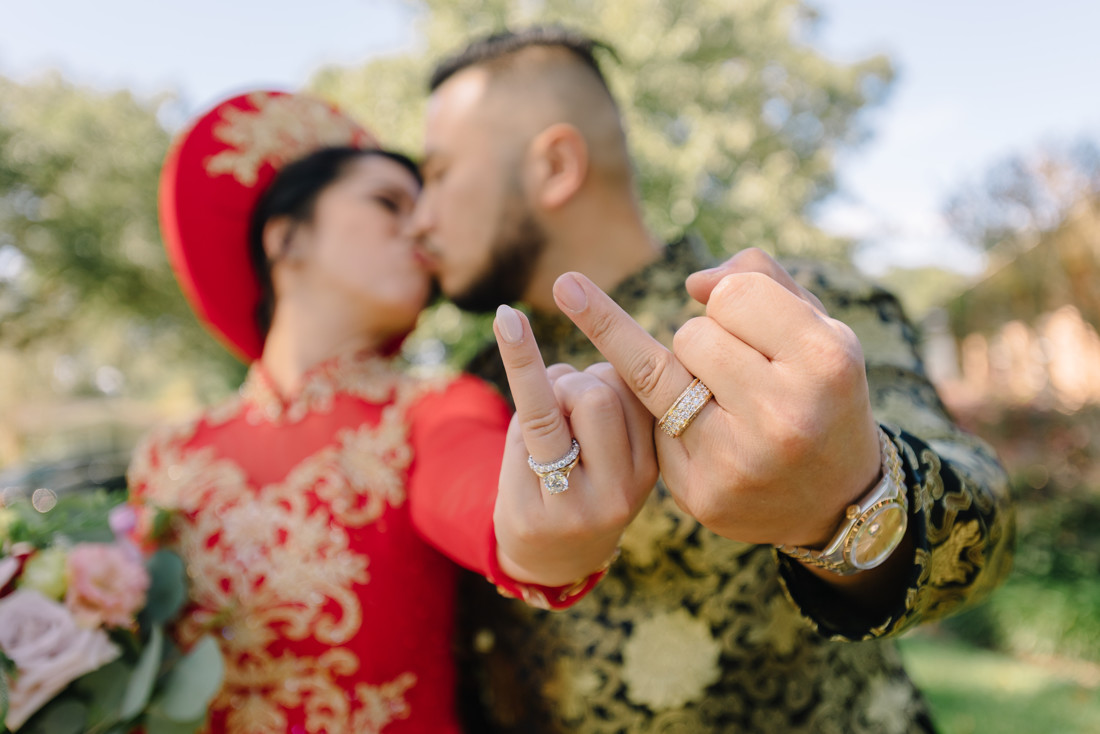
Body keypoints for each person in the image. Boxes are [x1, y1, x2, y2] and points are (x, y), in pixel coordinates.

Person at [408, 27, 1016, 732]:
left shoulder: (791, 312)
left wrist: (851, 498)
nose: (420, 220)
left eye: (441, 174)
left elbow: (988, 528)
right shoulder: (471, 390)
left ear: (555, 166)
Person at [126, 90, 657, 734]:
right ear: (286, 237)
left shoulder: (432, 409)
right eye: (388, 204)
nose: (422, 229)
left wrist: (548, 532)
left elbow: (493, 511)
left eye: (425, 209)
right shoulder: (168, 458)